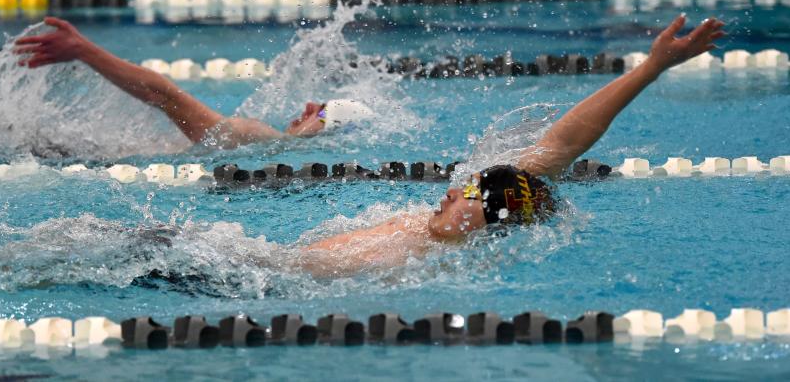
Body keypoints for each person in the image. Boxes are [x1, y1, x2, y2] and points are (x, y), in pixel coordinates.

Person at [296, 14, 726, 277]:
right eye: (464, 185)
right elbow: (564, 142)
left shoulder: (430, 267)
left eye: (469, 193)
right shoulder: (432, 232)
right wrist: (651, 67)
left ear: (492, 223)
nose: (449, 191)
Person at [14, 17, 375, 149]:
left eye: (323, 112)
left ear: (324, 133)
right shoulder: (265, 146)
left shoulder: (260, 137)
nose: (310, 107)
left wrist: (84, 50)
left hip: (60, 155)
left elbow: (164, 95)